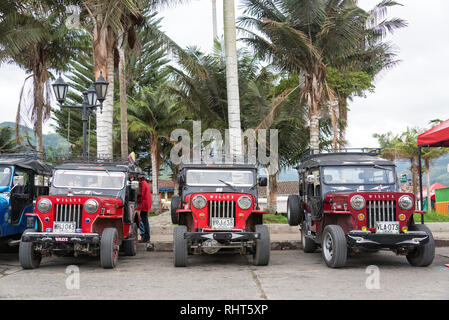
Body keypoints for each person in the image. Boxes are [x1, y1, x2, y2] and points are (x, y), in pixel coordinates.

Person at [137, 174, 152, 244]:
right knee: (145, 221)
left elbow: (140, 195)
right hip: (146, 204)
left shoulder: (142, 184)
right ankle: (146, 237)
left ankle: (146, 237)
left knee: (143, 221)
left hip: (144, 205)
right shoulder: (145, 183)